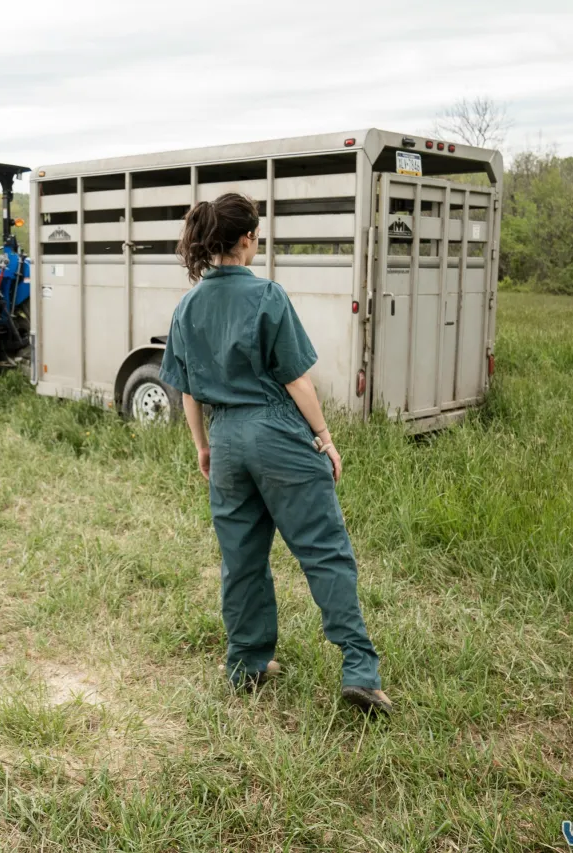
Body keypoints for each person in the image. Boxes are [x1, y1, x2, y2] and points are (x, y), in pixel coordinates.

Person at [158, 192, 392, 714]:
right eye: (256, 234)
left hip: (225, 440)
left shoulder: (187, 306)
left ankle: (247, 663)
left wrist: (203, 446)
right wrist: (326, 438)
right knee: (323, 549)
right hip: (277, 432)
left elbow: (189, 390)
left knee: (241, 558)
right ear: (246, 239)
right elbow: (297, 380)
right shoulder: (268, 295)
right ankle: (359, 669)